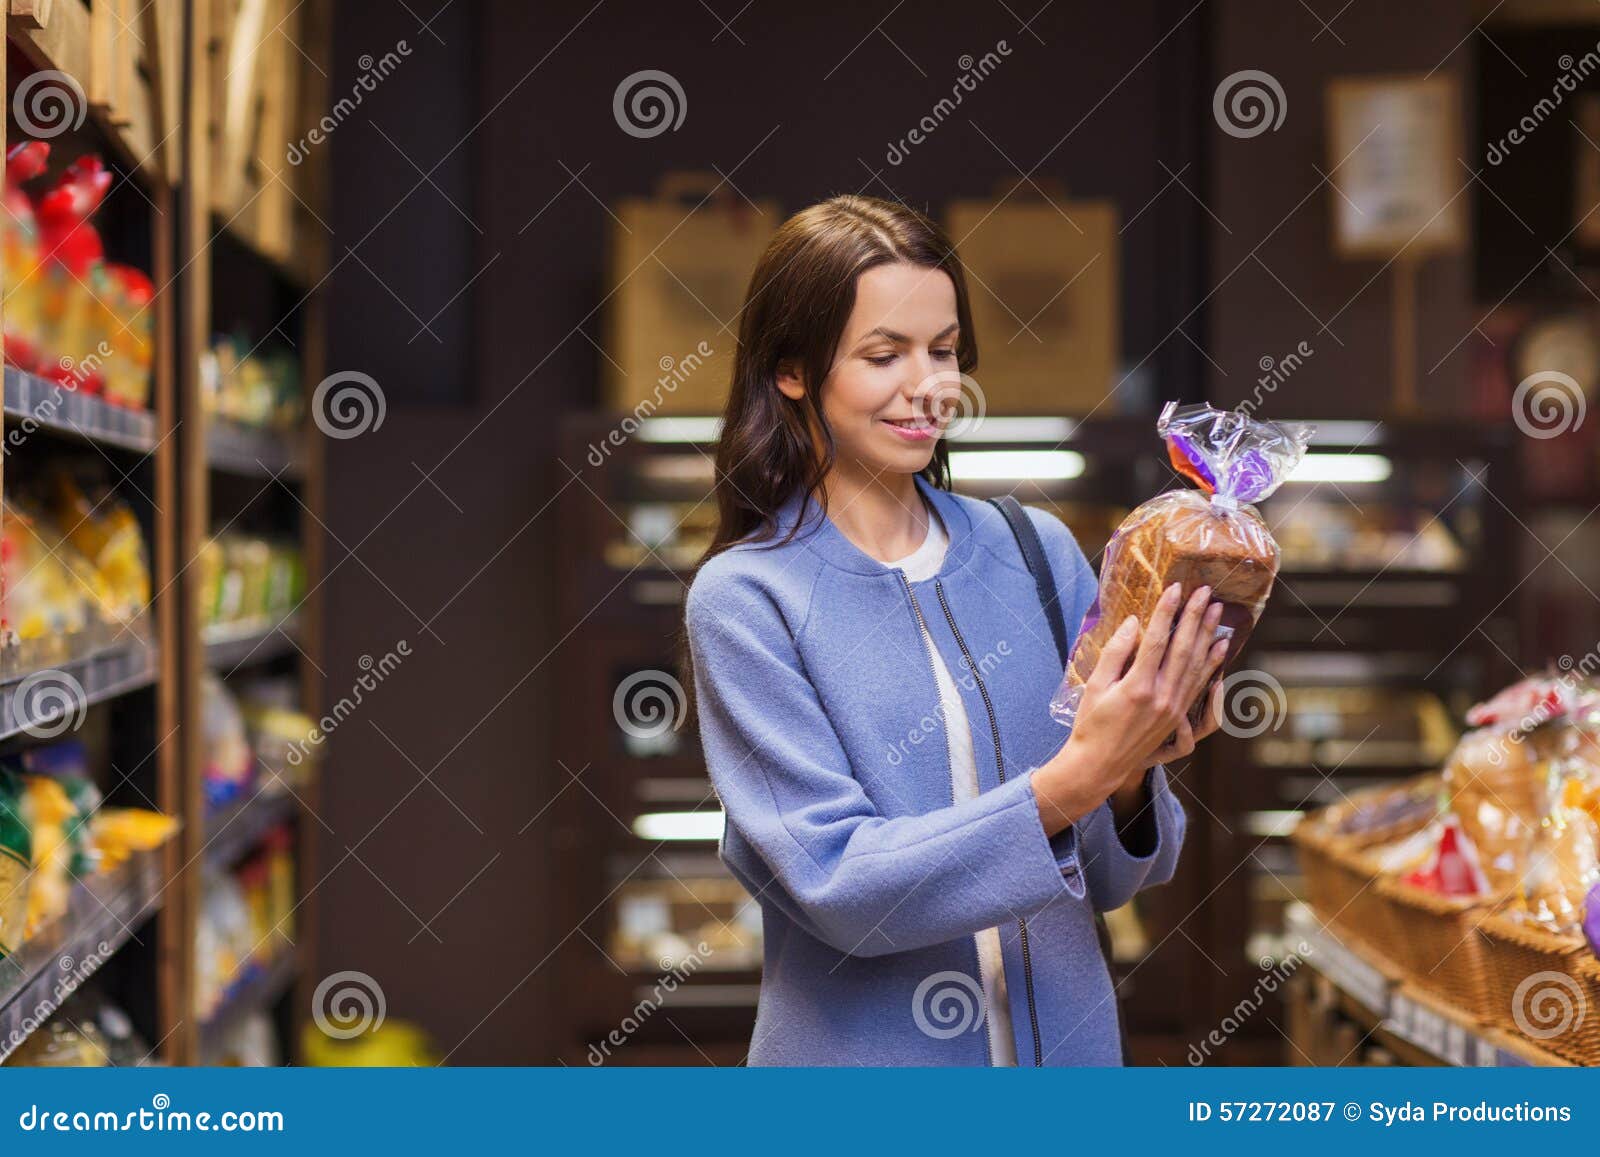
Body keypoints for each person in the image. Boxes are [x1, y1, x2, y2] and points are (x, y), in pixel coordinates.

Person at [684, 194, 1226, 1066]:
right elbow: (842, 884)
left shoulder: (1036, 550)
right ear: (791, 369)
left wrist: (1133, 767)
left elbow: (1119, 879)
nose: (927, 385)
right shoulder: (747, 598)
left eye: (943, 351)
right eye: (882, 353)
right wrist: (1078, 775)